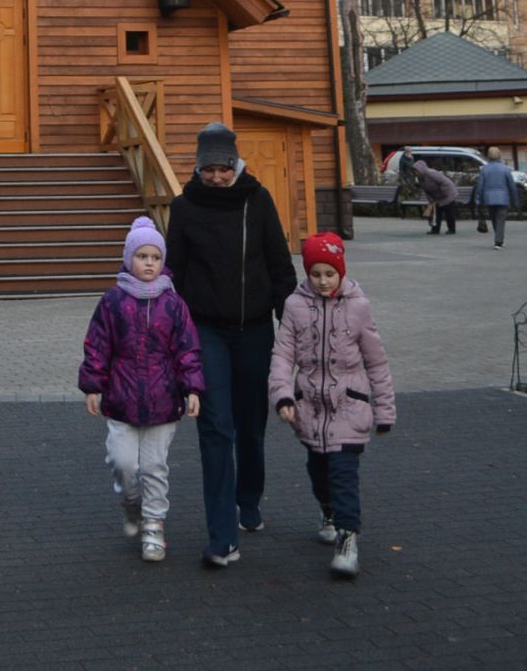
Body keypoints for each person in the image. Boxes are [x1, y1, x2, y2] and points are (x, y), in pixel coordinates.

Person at [165, 122, 297, 567]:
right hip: (206, 331)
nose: (217, 177)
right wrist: (174, 335)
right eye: (209, 170)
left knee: (250, 422)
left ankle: (249, 496)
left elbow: (279, 263)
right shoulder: (183, 208)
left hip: (256, 328)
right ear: (198, 167)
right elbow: (174, 274)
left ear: (235, 165)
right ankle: (222, 536)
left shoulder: (257, 200)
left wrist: (294, 326)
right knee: (216, 426)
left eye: (224, 169)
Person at [269, 232, 396, 579]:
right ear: (307, 273)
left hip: (348, 408)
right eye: (315, 274)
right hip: (310, 409)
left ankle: (348, 538)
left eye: (330, 273)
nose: (323, 281)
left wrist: (384, 411)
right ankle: (327, 509)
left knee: (343, 475)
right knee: (319, 474)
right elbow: (283, 354)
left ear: (341, 270)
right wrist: (282, 395)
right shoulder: (294, 305)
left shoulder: (358, 307)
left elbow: (377, 362)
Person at [78, 215, 205, 562]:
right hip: (121, 399)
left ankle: (154, 524)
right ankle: (131, 502)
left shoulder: (173, 303)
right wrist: (92, 384)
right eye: (142, 257)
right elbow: (97, 345)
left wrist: (193, 388)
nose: (149, 264)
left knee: (154, 466)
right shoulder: (113, 301)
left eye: (155, 258)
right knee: (123, 463)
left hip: (163, 400)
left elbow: (187, 348)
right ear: (128, 259)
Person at [472, 147, 519, 248]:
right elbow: (511, 185)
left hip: (489, 198)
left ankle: (499, 239)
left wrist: (478, 199)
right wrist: (515, 200)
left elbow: (480, 185)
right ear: (499, 155)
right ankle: (498, 241)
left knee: (494, 219)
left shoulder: (484, 169)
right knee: (500, 219)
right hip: (503, 198)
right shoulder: (505, 169)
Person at [406, 153, 459, 234]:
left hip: (448, 193)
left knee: (449, 212)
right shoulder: (421, 179)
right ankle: (435, 229)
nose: (415, 172)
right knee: (436, 213)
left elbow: (443, 182)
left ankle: (451, 229)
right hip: (438, 197)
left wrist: (444, 194)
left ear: (421, 169)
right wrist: (431, 201)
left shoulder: (431, 173)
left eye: (416, 170)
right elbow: (427, 191)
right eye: (414, 171)